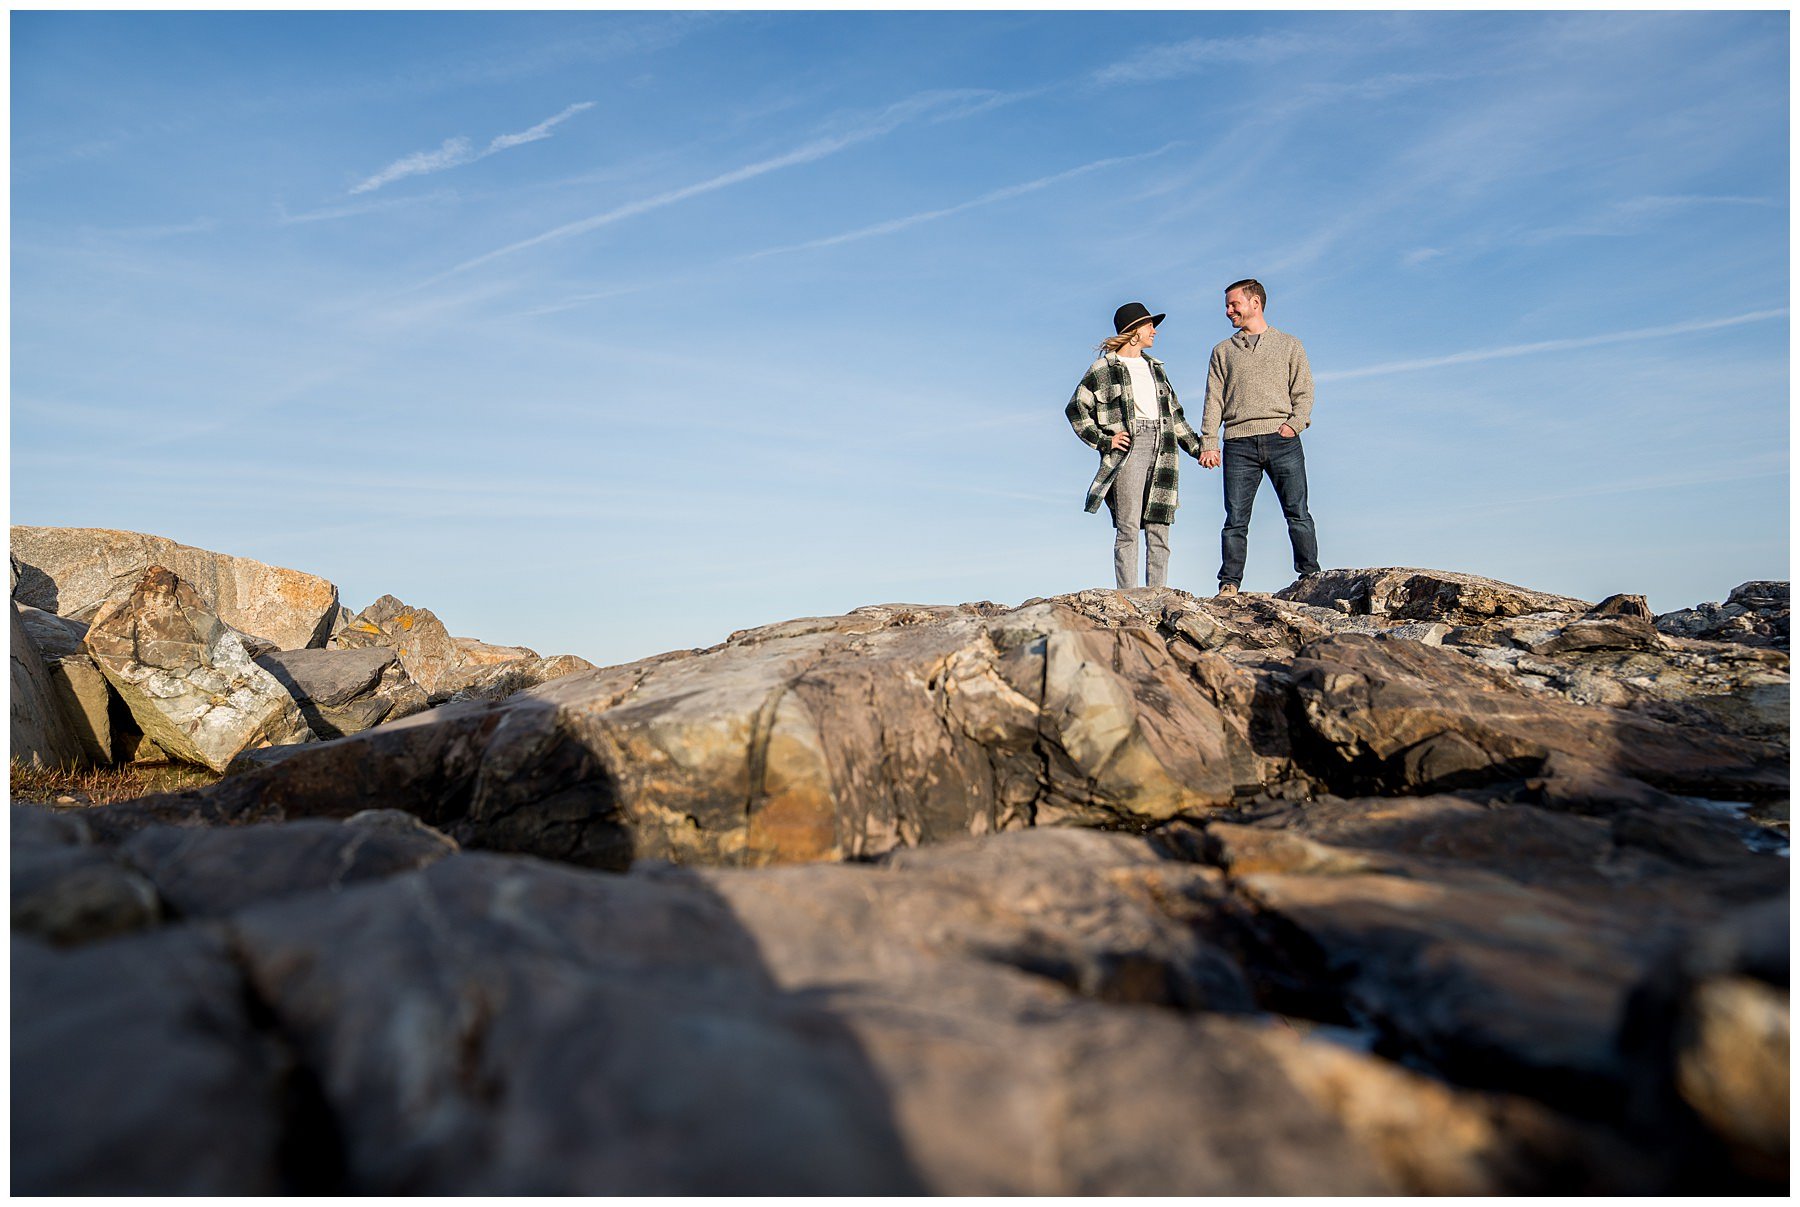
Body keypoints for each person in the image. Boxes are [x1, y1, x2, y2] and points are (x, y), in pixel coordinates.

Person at [1065, 301, 1206, 589]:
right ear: (1133, 332)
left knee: (1160, 526)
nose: (1154, 331)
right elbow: (1076, 408)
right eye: (1149, 325)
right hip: (1130, 447)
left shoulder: (1156, 369)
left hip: (1164, 446)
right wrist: (1106, 440)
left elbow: (1176, 416)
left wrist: (1200, 449)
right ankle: (1127, 598)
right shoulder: (1104, 368)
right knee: (1128, 528)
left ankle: (1157, 594)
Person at [1197, 279, 1320, 596]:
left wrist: (1294, 424)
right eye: (1227, 305)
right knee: (1235, 520)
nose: (1228, 311)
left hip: (1283, 440)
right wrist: (1209, 442)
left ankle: (1311, 578)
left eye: (1233, 304)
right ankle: (1229, 584)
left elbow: (1304, 392)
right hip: (1238, 443)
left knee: (1298, 513)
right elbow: (1213, 400)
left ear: (1255, 303)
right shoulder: (1223, 351)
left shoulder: (1289, 344)